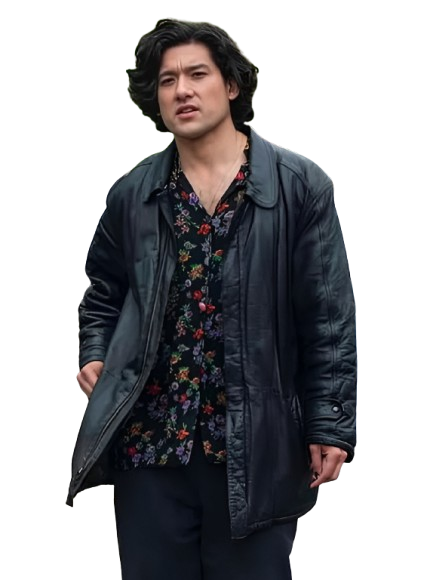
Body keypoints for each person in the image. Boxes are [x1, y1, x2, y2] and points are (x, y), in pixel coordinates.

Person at [67, 18, 357, 580]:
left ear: (231, 84)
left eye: (197, 74)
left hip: (256, 445)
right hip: (149, 446)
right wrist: (95, 352)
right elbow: (104, 291)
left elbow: (327, 317)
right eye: (167, 79)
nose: (182, 90)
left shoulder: (298, 186)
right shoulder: (133, 193)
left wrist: (329, 424)